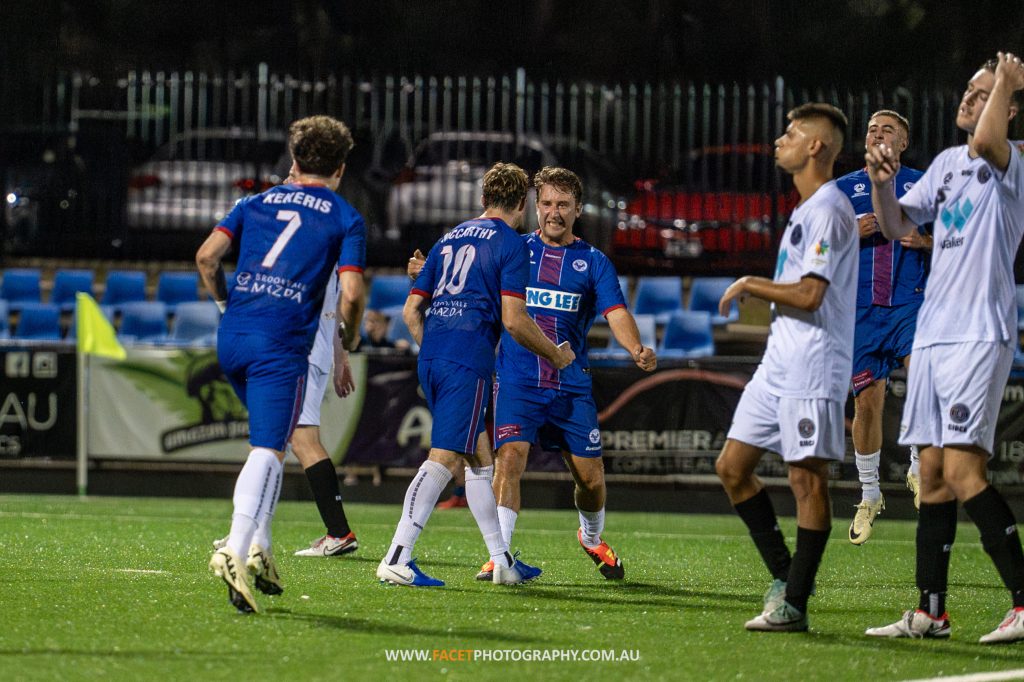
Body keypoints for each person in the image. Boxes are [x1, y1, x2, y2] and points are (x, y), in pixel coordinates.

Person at [865, 53, 1024, 644]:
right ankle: (931, 611)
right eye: (967, 90)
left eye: (982, 95)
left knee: (961, 469)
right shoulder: (948, 163)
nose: (968, 99)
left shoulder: (1008, 161)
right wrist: (882, 184)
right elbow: (893, 225)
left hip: (979, 333)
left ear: (1007, 111)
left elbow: (988, 139)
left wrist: (1006, 79)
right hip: (933, 336)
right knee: (930, 475)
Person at [376, 161, 575, 587]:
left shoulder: (448, 237)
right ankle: (397, 556)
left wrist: (435, 349)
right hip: (466, 362)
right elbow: (515, 319)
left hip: (433, 356)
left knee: (480, 461)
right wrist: (555, 355)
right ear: (522, 204)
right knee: (445, 458)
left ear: (482, 200)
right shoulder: (512, 244)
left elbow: (412, 310)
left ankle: (501, 561)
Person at [196, 115, 366, 613]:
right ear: (339, 168)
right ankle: (236, 544)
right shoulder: (344, 215)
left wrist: (227, 307)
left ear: (293, 161)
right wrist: (348, 339)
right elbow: (352, 293)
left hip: (233, 337)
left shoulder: (254, 201)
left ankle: (261, 548)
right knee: (269, 449)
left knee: (273, 444)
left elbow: (207, 257)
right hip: (281, 344)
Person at [474, 166, 656, 581]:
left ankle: (591, 538)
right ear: (536, 207)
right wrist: (425, 275)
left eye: (563, 205)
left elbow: (616, 312)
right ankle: (498, 555)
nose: (553, 212)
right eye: (547, 204)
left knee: (590, 481)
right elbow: (470, 277)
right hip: (518, 379)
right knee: (510, 459)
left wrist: (635, 347)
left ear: (578, 211)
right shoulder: (513, 250)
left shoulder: (593, 262)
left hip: (570, 385)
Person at [715, 102, 856, 632]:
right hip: (781, 360)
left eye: (792, 133)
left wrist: (751, 283)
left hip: (814, 364)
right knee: (732, 467)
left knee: (806, 480)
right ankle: (785, 576)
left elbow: (811, 294)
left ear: (816, 146)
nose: (780, 140)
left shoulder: (826, 207)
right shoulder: (806, 208)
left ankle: (794, 603)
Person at [835, 110, 930, 544]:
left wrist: (926, 241)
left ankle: (917, 464)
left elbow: (960, 236)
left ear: (904, 142)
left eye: (887, 129)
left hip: (911, 304)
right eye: (872, 128)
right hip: (861, 311)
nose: (877, 134)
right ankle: (870, 494)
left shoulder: (924, 183)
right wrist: (847, 233)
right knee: (867, 404)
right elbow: (814, 246)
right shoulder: (842, 189)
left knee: (924, 381)